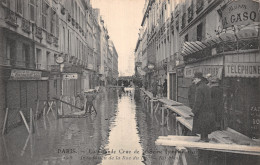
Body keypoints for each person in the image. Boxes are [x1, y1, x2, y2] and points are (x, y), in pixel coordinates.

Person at [191, 72, 215, 142]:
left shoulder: (199, 88)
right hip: (208, 110)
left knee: (200, 125)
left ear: (198, 79)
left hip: (201, 110)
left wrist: (193, 111)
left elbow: (198, 101)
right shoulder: (207, 86)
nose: (194, 81)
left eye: (195, 79)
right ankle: (205, 138)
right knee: (205, 125)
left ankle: (202, 139)